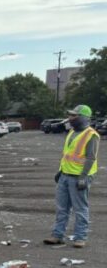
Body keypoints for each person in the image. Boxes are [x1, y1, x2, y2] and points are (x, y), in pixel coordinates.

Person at [45, 104, 99, 249]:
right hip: (65, 175)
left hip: (79, 177)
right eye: (70, 115)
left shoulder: (91, 135)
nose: (70, 118)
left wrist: (83, 176)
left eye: (73, 116)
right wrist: (60, 171)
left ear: (83, 118)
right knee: (62, 208)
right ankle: (58, 235)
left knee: (80, 208)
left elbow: (90, 158)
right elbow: (67, 155)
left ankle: (80, 237)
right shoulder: (71, 132)